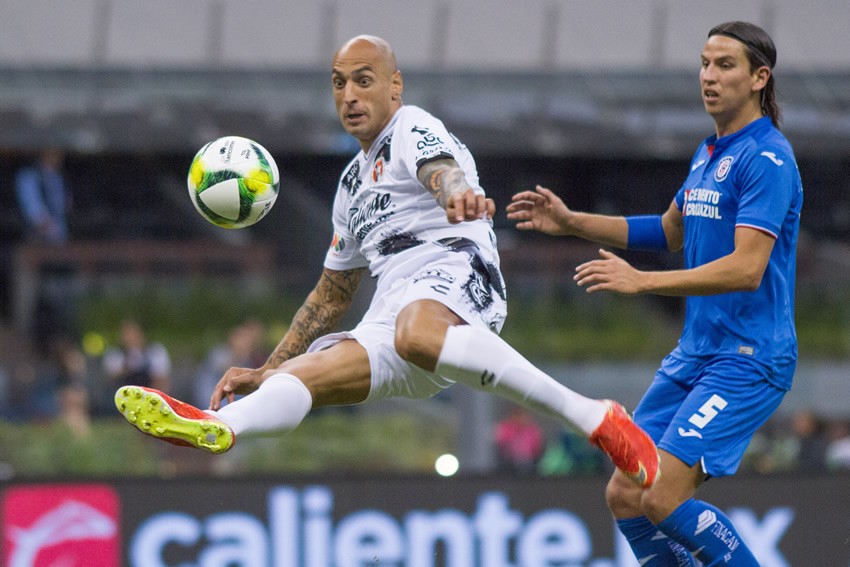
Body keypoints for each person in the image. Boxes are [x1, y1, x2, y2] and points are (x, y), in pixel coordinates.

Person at [114, 34, 658, 487]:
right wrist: (269, 366)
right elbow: (331, 294)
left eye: (363, 80)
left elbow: (440, 170)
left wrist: (457, 194)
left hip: (454, 274)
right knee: (303, 376)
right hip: (393, 316)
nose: (349, 94)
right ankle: (219, 425)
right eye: (338, 82)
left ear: (395, 87)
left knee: (413, 330)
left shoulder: (411, 128)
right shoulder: (349, 187)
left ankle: (594, 415)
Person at [508, 21, 802, 566]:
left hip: (748, 359)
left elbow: (746, 269)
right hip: (696, 355)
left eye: (725, 65)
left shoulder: (768, 158)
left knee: (663, 496)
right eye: (705, 63)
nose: (708, 77)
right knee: (625, 494)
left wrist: (643, 281)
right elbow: (670, 231)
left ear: (760, 77)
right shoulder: (709, 153)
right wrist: (572, 222)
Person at [14, 148, 70, 244]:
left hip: (61, 237)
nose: (58, 156)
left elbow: (64, 207)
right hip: (37, 237)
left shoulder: (59, 177)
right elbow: (35, 213)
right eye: (53, 152)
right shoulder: (28, 176)